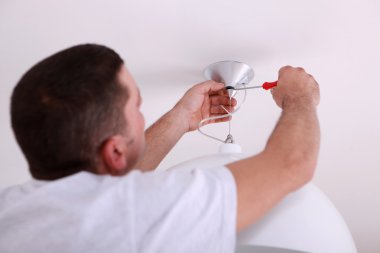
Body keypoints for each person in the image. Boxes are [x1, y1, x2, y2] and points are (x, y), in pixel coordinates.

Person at [0, 44, 320, 253]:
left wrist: (181, 118)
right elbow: (291, 164)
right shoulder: (140, 212)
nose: (142, 116)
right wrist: (300, 97)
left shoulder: (7, 212)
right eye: (137, 107)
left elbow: (105, 189)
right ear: (114, 152)